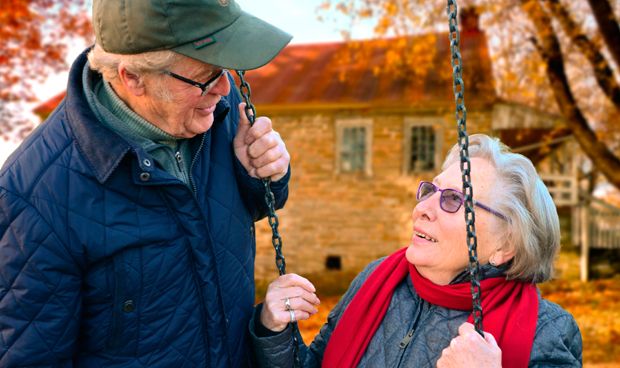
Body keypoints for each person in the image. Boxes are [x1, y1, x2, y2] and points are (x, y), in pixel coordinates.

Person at [0, 0, 292, 366]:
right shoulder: (33, 201)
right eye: (205, 76)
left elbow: (245, 208)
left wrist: (265, 176)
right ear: (132, 78)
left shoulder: (213, 108)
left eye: (227, 69)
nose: (223, 87)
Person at [251, 134, 582, 367]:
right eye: (431, 190)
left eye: (454, 199)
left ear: (505, 245)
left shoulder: (546, 330)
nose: (424, 207)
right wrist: (275, 331)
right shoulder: (377, 281)